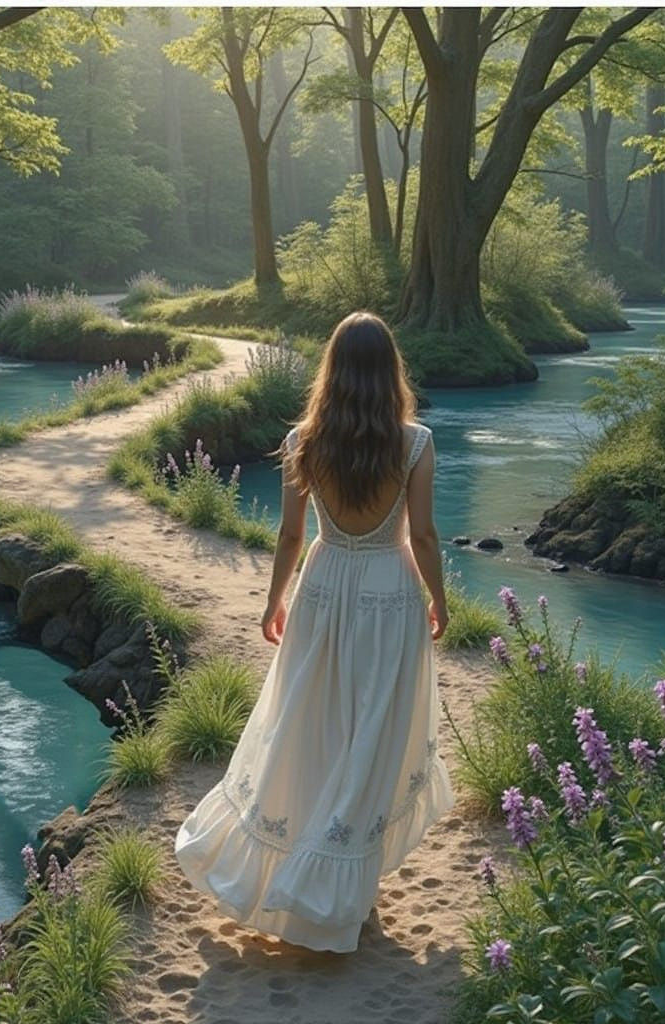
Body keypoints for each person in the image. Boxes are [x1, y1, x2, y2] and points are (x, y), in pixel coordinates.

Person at [174, 311, 455, 954]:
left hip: (324, 589)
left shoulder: (304, 439)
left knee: (311, 725)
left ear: (330, 370)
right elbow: (425, 535)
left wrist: (274, 600)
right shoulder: (415, 442)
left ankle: (318, 874)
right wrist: (438, 601)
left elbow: (292, 534)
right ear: (390, 372)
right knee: (373, 732)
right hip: (388, 593)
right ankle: (344, 891)